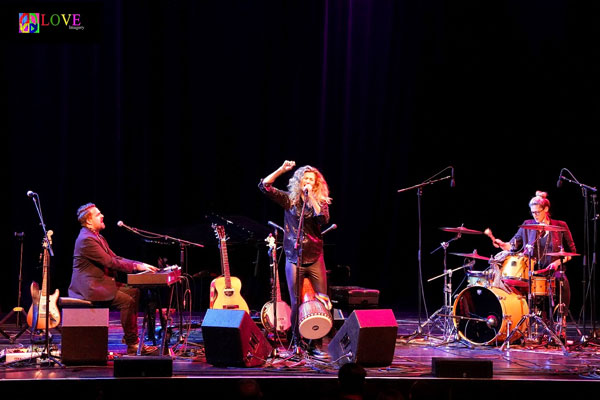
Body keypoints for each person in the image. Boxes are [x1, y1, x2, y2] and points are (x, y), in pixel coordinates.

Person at [259, 160, 332, 355]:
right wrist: (282, 169)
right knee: (296, 302)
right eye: (305, 179)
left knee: (321, 300)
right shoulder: (289, 200)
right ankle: (296, 342)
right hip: (293, 257)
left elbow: (323, 219)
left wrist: (312, 200)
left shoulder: (321, 202)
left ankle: (315, 344)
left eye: (312, 180)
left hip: (315, 256)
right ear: (299, 181)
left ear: (315, 184)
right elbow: (265, 186)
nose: (308, 182)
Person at [68, 203, 159, 355]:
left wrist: (139, 264)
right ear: (89, 221)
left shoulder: (97, 237)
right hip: (90, 287)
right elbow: (110, 262)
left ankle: (132, 339)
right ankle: (133, 344)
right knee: (127, 301)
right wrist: (136, 268)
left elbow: (116, 257)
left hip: (99, 283)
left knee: (134, 292)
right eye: (98, 214)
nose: (102, 216)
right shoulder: (86, 240)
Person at [491, 191, 576, 320]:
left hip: (554, 270)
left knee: (563, 282)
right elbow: (512, 245)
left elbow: (571, 252)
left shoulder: (560, 225)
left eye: (537, 212)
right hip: (532, 270)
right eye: (532, 212)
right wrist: (503, 244)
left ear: (546, 209)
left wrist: (558, 262)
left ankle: (561, 321)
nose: (535, 215)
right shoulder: (527, 225)